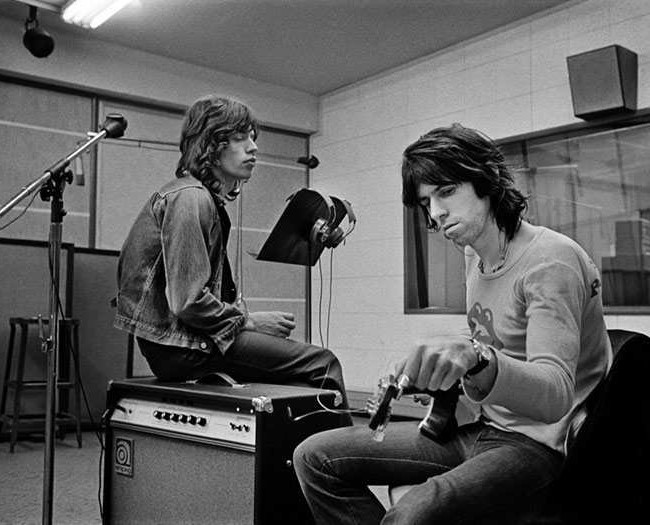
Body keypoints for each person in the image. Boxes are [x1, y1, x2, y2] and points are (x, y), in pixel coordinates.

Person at [293, 124, 612, 524]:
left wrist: (475, 356)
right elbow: (500, 342)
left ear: (487, 180)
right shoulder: (474, 257)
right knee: (314, 457)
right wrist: (434, 365)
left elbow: (556, 393)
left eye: (446, 192)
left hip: (538, 445)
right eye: (427, 202)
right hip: (481, 426)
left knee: (410, 514)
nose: (436, 212)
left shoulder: (551, 261)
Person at [114, 95, 351, 425]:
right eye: (240, 138)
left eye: (252, 138)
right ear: (210, 146)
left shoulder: (203, 201)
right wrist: (250, 322)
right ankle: (334, 469)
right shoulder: (191, 199)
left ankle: (289, 463)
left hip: (181, 343)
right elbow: (186, 302)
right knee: (322, 364)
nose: (253, 148)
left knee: (293, 380)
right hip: (184, 347)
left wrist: (245, 321)